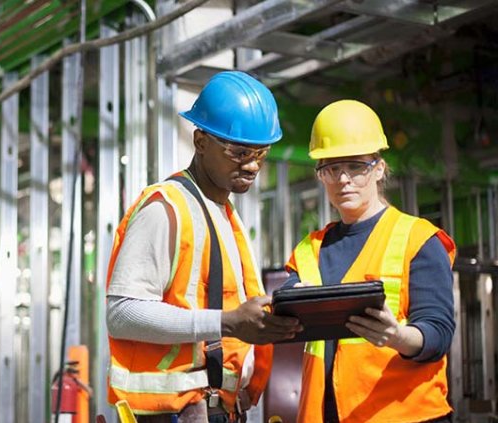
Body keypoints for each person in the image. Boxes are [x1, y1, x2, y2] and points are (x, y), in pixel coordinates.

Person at [105, 71, 302, 422]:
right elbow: (122, 314)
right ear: (200, 142)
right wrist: (225, 322)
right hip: (173, 415)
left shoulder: (222, 213)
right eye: (239, 151)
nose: (253, 165)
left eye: (261, 153)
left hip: (216, 410)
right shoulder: (165, 208)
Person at [282, 100, 456, 423]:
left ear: (378, 168)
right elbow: (285, 318)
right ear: (321, 176)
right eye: (331, 168)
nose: (343, 179)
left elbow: (438, 333)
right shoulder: (309, 249)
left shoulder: (419, 240)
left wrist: (397, 336)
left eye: (356, 167)